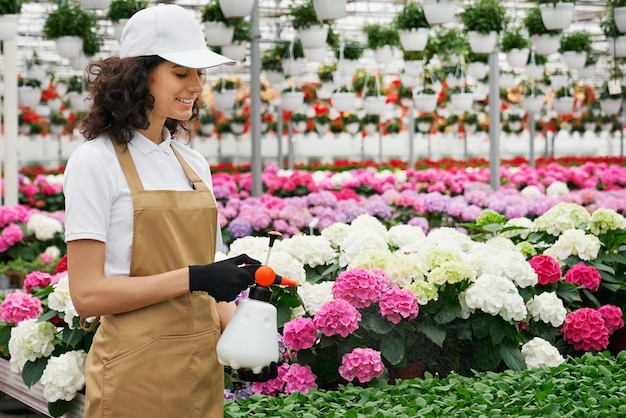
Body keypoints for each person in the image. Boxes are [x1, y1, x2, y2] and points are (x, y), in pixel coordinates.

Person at [63, 4, 276, 417]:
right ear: (139, 76)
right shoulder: (95, 162)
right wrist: (192, 277)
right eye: (181, 72)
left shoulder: (193, 165)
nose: (196, 85)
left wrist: (248, 342)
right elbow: (87, 294)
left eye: (200, 74)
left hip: (201, 368)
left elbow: (212, 281)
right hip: (134, 370)